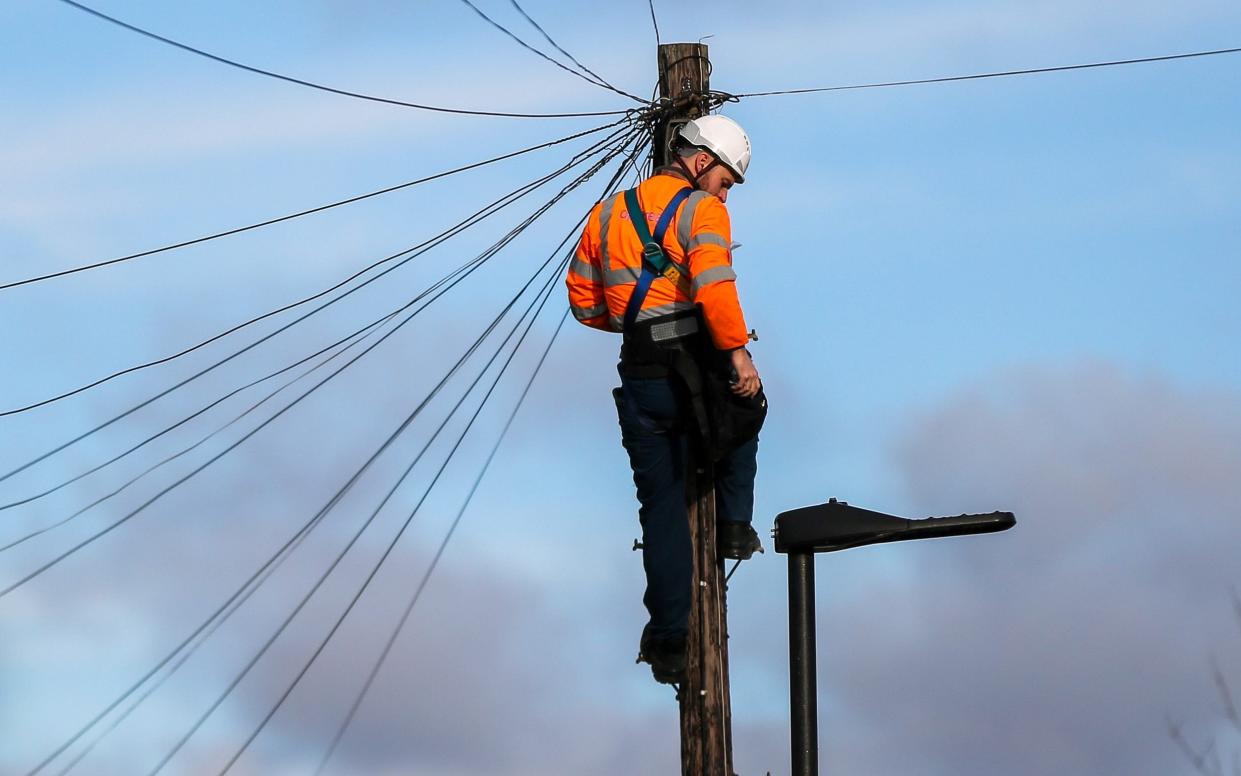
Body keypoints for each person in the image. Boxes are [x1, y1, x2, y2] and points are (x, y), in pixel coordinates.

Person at [566, 114, 763, 684]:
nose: (726, 193)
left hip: (641, 371)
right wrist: (737, 354)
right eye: (726, 180)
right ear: (702, 161)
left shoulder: (607, 213)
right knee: (745, 413)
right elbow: (715, 287)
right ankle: (732, 526)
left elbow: (583, 301)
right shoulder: (704, 212)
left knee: (661, 508)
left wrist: (636, 321)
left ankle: (670, 640)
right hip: (693, 362)